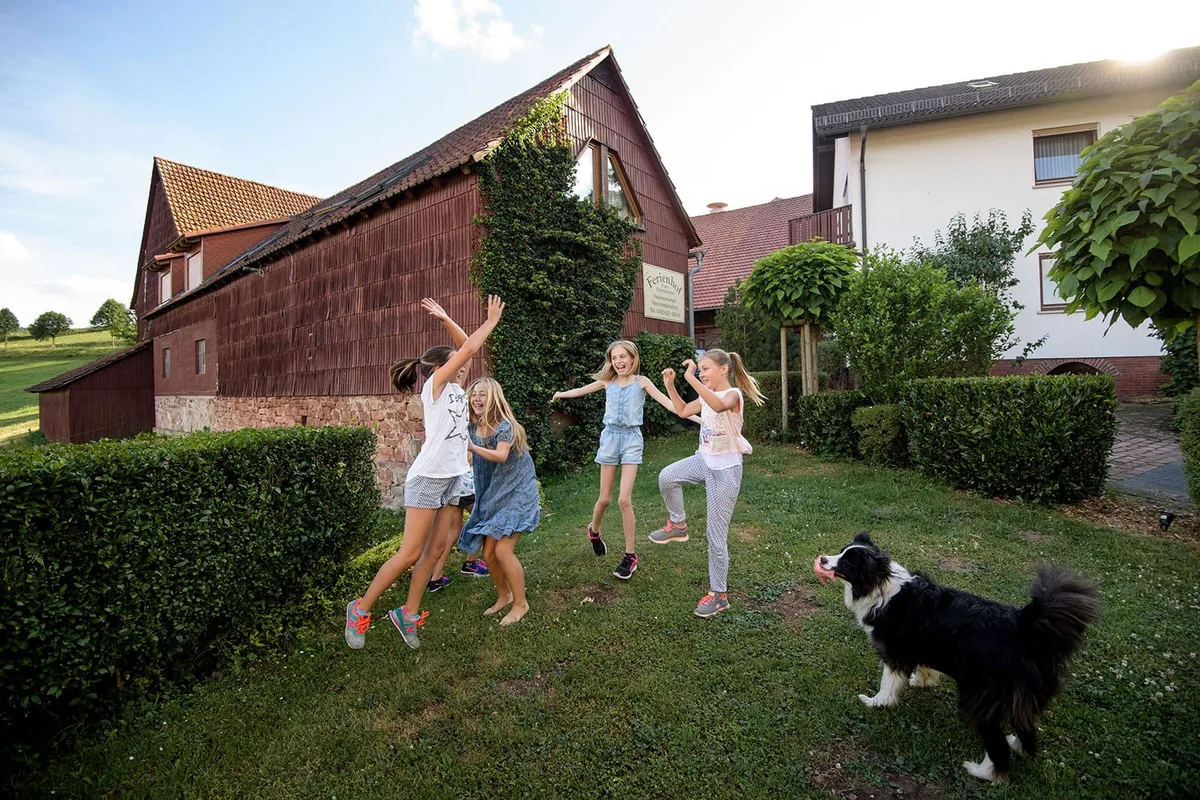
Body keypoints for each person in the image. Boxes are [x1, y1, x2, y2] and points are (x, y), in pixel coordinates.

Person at [344, 295, 504, 650]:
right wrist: (490, 322)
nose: (464, 368)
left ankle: (408, 614)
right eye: (456, 366)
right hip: (428, 478)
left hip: (450, 478)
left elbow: (467, 349)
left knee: (436, 552)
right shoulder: (434, 390)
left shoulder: (458, 393)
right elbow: (468, 350)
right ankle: (360, 609)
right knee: (410, 554)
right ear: (439, 370)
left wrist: (447, 318)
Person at [654, 349, 765, 618]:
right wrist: (670, 385)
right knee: (667, 476)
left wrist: (690, 378)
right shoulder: (706, 396)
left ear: (723, 369)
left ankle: (719, 596)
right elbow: (681, 410)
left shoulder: (732, 395)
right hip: (703, 460)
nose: (702, 374)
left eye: (705, 369)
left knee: (715, 536)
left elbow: (717, 405)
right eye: (700, 369)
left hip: (726, 471)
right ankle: (678, 524)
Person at [551, 340, 674, 580]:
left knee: (623, 500)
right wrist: (560, 394)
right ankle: (594, 532)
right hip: (609, 439)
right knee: (604, 499)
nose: (618, 362)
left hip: (631, 441)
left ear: (633, 358)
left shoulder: (643, 382)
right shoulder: (609, 381)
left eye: (622, 357)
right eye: (614, 358)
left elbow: (670, 405)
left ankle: (630, 556)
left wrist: (692, 413)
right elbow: (581, 391)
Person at [457, 378, 541, 626]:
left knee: (503, 551)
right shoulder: (472, 428)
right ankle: (504, 596)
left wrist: (471, 447)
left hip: (518, 491)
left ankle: (520, 603)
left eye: (482, 394)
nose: (476, 399)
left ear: (494, 398)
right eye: (473, 394)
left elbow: (501, 456)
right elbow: (468, 459)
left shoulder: (506, 427)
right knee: (489, 555)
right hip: (493, 494)